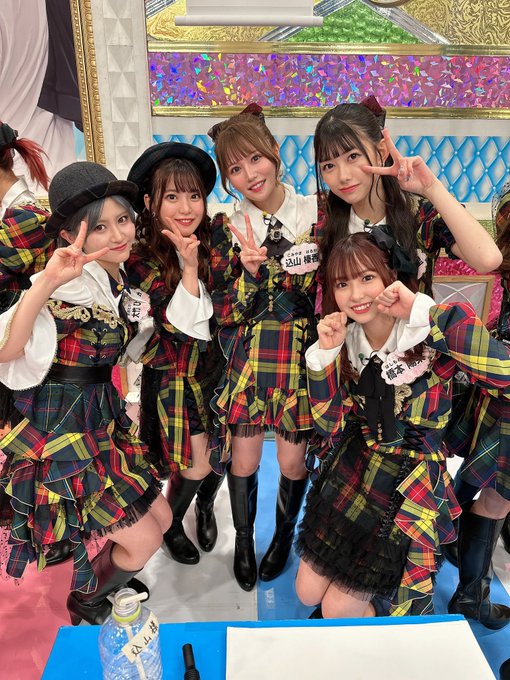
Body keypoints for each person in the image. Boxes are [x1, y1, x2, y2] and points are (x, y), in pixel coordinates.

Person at [295, 231, 510, 619]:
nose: (356, 294)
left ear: (389, 276)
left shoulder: (427, 333)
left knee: (337, 609)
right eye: (342, 284)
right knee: (307, 594)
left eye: (367, 278)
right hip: (354, 471)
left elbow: (504, 371)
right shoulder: (344, 338)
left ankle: (369, 616)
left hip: (409, 483)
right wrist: (324, 356)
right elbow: (329, 423)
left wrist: (422, 310)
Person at [0, 162, 172, 625]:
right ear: (69, 235)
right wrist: (47, 282)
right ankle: (87, 600)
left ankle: (103, 581)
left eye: (123, 219)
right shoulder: (64, 285)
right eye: (99, 227)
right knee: (146, 539)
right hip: (62, 434)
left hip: (100, 421)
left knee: (162, 518)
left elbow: (128, 348)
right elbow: (6, 349)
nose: (117, 235)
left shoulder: (117, 278)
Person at [209, 104, 321, 590]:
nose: (249, 175)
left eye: (255, 158)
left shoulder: (317, 213)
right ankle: (244, 542)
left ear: (275, 152)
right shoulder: (226, 227)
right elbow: (222, 310)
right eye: (235, 168)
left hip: (300, 355)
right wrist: (250, 275)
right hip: (251, 355)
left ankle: (282, 538)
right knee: (245, 460)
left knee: (293, 462)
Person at [125, 142, 223, 565]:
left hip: (222, 368)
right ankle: (174, 520)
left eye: (194, 195)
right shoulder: (138, 257)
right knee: (194, 463)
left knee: (221, 455)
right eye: (172, 197)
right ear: (150, 203)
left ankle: (205, 505)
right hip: (175, 375)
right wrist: (189, 268)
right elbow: (174, 322)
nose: (186, 208)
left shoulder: (218, 240)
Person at [315, 97, 502, 300]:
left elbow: (488, 260)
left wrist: (431, 188)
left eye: (352, 156)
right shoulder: (322, 216)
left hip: (413, 321)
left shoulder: (420, 215)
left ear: (381, 152)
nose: (343, 176)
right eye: (329, 166)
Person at [443, 182, 510, 629]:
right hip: (498, 388)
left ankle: (467, 583)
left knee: (486, 485)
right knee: (496, 497)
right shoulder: (492, 265)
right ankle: (470, 596)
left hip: (493, 388)